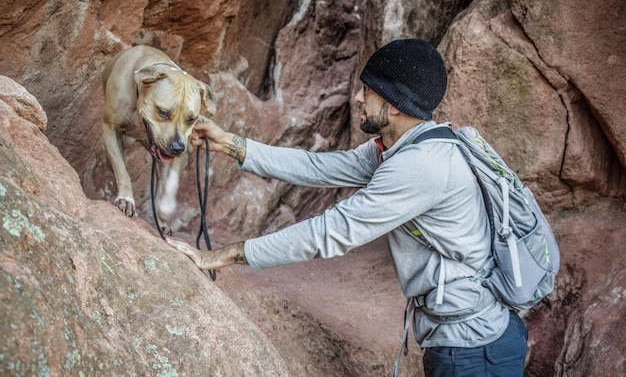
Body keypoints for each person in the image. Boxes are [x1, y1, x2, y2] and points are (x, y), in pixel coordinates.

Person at [166, 39, 528, 377]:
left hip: (475, 350)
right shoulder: (401, 145)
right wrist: (230, 143)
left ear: (396, 103)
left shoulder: (421, 166)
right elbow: (320, 168)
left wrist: (225, 255)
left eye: (367, 91)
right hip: (461, 340)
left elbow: (330, 233)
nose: (358, 98)